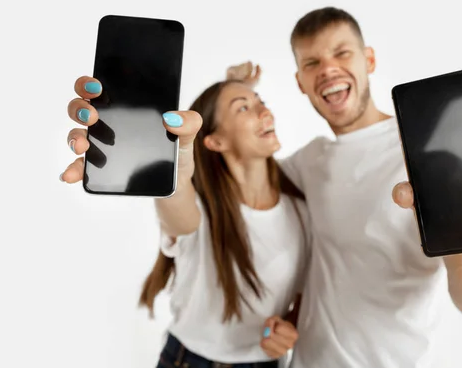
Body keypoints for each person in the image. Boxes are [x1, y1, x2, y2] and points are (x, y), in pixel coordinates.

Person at [229, 7, 462, 367]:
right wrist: (234, 93)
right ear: (300, 82)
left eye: (342, 53)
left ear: (369, 60)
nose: (328, 68)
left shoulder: (426, 152)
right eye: (312, 62)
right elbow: (234, 176)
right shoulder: (308, 162)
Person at [60, 77, 310, 367]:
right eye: (244, 108)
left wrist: (289, 326)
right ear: (215, 141)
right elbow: (180, 217)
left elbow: (305, 294)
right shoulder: (201, 207)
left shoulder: (301, 210)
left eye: (261, 103)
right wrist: (173, 171)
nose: (265, 113)